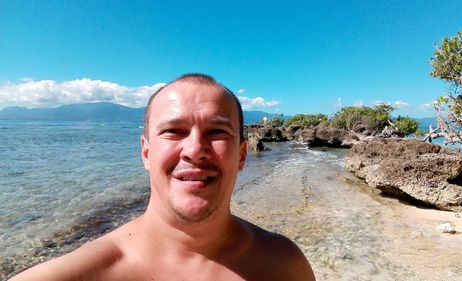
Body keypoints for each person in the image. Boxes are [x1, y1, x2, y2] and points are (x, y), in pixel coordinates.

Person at [10, 73, 315, 281]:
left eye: (217, 131)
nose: (195, 150)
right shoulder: (76, 275)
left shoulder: (284, 265)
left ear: (242, 155)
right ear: (146, 152)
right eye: (173, 131)